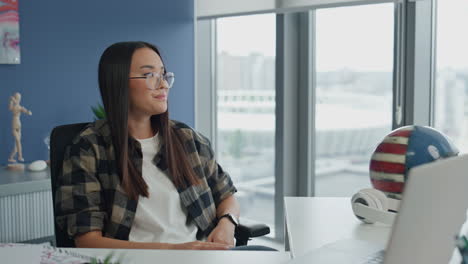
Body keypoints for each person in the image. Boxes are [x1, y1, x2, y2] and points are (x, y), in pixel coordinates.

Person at [55, 41, 254, 250]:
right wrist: (173, 251)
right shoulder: (89, 148)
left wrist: (227, 223)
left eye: (164, 75)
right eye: (150, 75)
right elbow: (87, 242)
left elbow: (226, 195)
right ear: (118, 82)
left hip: (205, 256)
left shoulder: (187, 139)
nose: (163, 85)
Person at [8, 92, 32, 163]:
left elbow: (27, 112)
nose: (18, 99)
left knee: (16, 146)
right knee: (18, 142)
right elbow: (10, 108)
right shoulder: (14, 106)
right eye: (16, 98)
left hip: (19, 125)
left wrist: (28, 112)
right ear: (14, 98)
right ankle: (20, 156)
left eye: (19, 98)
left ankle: (11, 157)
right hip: (14, 125)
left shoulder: (20, 107)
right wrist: (11, 101)